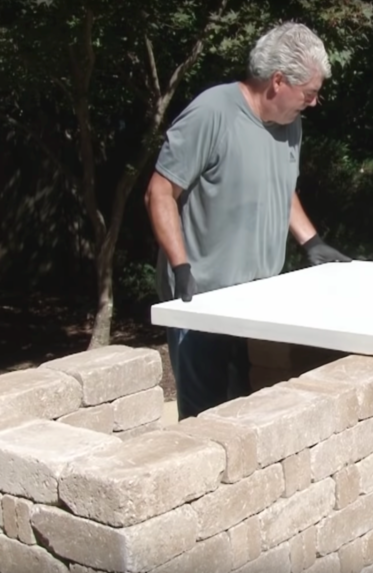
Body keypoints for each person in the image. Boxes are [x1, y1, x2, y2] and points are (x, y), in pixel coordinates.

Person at [145, 22, 351, 420]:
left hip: (258, 300)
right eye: (309, 92)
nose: (314, 102)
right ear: (277, 82)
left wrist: (311, 242)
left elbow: (278, 184)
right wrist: (181, 266)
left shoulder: (290, 125)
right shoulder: (213, 112)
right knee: (206, 420)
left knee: (245, 411)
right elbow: (159, 192)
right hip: (201, 300)